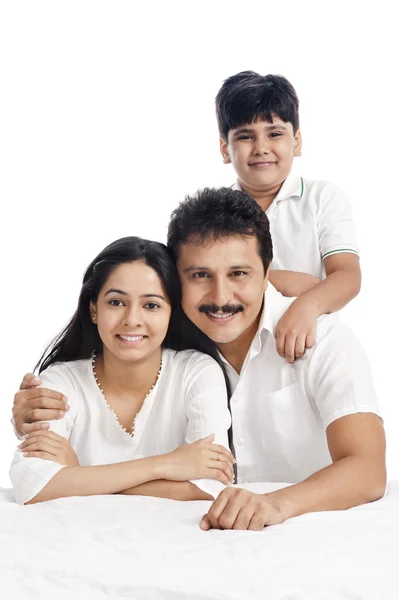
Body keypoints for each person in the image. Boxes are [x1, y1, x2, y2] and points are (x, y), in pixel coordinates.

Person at [14, 189, 386, 531]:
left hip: (309, 531)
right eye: (200, 275)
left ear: (268, 274)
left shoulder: (322, 340)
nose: (220, 297)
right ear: (176, 281)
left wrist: (273, 505)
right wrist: (28, 413)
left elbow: (367, 470)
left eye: (239, 273)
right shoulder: (161, 338)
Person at [9, 236, 234, 505]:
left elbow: (208, 488)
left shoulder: (197, 372)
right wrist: (164, 465)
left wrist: (78, 475)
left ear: (171, 314)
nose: (132, 320)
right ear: (93, 309)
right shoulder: (61, 381)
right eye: (116, 302)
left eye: (151, 305)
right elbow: (29, 484)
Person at [216, 71, 361, 363]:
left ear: (296, 141)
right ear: (225, 149)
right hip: (232, 352)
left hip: (306, 344)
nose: (261, 148)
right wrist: (286, 282)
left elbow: (347, 276)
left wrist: (308, 303)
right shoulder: (214, 212)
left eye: (274, 133)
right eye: (245, 136)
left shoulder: (322, 198)